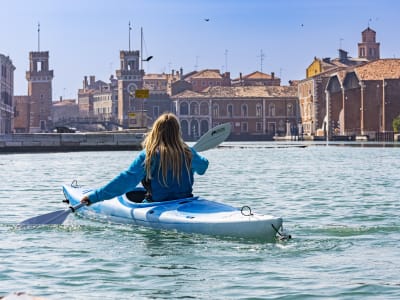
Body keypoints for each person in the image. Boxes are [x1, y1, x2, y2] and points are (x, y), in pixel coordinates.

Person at [81, 113, 209, 205]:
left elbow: (126, 180)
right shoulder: (188, 153)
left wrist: (94, 196)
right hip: (186, 202)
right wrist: (191, 160)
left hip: (157, 204)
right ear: (177, 132)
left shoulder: (150, 155)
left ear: (155, 131)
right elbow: (203, 167)